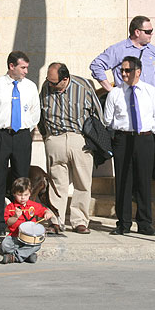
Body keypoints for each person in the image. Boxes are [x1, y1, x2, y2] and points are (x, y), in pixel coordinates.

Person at [90, 16, 155, 182]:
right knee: (132, 141)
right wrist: (111, 90)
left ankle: (149, 166)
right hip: (129, 104)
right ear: (137, 32)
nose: (151, 34)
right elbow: (96, 65)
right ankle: (134, 176)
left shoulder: (152, 50)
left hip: (149, 104)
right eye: (148, 31)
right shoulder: (119, 49)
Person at [39, 62, 104, 234]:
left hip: (79, 139)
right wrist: (47, 137)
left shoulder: (83, 86)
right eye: (49, 81)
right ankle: (55, 220)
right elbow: (40, 115)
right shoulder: (46, 87)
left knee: (82, 182)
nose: (51, 85)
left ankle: (80, 221)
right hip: (55, 138)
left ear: (65, 78)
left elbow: (97, 113)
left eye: (54, 83)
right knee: (56, 183)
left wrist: (93, 139)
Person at [104, 56, 155, 236]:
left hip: (144, 139)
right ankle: (123, 223)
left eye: (127, 70)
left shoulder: (150, 91)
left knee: (144, 180)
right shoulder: (115, 93)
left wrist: (147, 131)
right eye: (121, 70)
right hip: (123, 138)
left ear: (138, 71)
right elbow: (107, 119)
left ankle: (145, 222)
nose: (123, 73)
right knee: (123, 180)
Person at [0, 51, 40, 236]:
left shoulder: (30, 87)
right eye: (22, 67)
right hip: (1, 134)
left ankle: (21, 221)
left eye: (27, 68)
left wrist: (26, 129)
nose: (25, 71)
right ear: (11, 66)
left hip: (22, 135)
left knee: (21, 180)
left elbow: (34, 113)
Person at [0, 177, 54, 264]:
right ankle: (27, 255)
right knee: (5, 245)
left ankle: (14, 257)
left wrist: (47, 213)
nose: (23, 198)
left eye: (25, 195)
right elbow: (8, 222)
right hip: (15, 236)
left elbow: (44, 210)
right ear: (14, 194)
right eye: (19, 195)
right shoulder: (10, 207)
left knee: (37, 244)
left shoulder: (33, 205)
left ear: (29, 194)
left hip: (29, 238)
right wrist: (15, 217)